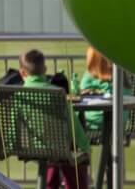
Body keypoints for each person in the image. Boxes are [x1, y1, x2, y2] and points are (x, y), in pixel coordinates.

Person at [19, 49, 90, 189]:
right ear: (44, 69)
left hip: (29, 148)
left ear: (22, 73)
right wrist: (85, 147)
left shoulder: (18, 94)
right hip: (58, 150)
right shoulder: (58, 94)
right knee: (71, 153)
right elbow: (73, 124)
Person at [79, 47, 131, 132]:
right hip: (120, 122)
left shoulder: (90, 76)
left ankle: (76, 143)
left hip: (97, 122)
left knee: (72, 120)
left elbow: (80, 94)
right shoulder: (121, 75)